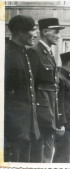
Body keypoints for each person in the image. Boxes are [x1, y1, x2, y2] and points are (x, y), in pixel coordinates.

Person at [27, 17, 65, 163]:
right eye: (56, 31)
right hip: (40, 111)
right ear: (44, 31)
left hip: (49, 108)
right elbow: (31, 85)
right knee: (39, 151)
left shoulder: (48, 53)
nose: (58, 35)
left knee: (48, 147)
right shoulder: (35, 52)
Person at [4, 15, 40, 162]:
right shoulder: (7, 54)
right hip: (12, 129)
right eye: (33, 30)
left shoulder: (22, 53)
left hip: (25, 126)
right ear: (20, 32)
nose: (35, 34)